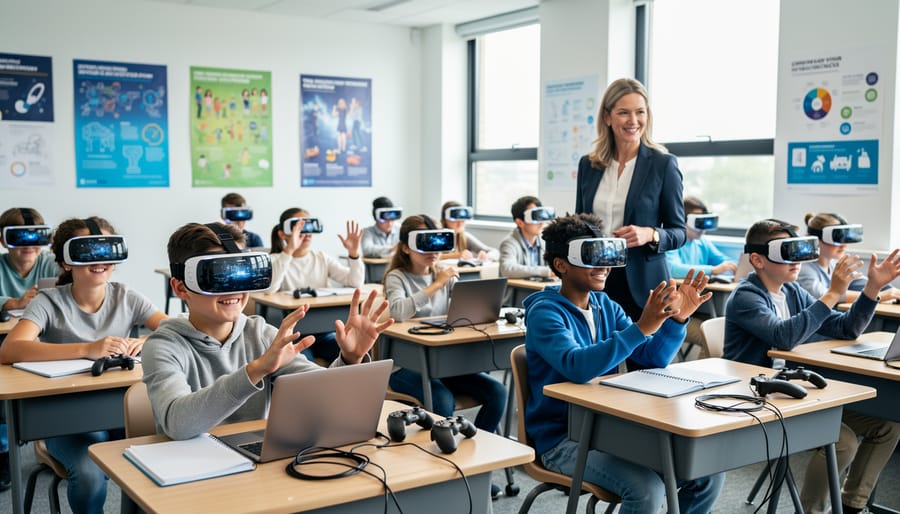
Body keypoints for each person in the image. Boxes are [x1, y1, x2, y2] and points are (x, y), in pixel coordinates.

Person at [523, 213, 723, 513]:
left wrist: (677, 318)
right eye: (592, 258)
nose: (604, 266)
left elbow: (650, 357)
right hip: (561, 439)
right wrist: (642, 327)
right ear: (560, 265)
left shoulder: (606, 305)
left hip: (609, 428)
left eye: (607, 256)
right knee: (646, 490)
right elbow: (577, 367)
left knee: (706, 472)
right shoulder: (545, 314)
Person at [141, 222, 393, 441]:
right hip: (188, 472)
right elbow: (178, 424)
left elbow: (324, 392)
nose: (234, 291)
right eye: (217, 277)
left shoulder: (260, 334)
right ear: (181, 288)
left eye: (242, 276)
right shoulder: (163, 345)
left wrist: (350, 359)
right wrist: (256, 369)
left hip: (256, 460)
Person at [723, 218, 900, 514]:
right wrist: (832, 294)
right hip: (758, 398)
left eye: (799, 252)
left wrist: (871, 288)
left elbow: (846, 329)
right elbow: (784, 337)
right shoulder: (745, 297)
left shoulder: (792, 292)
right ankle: (812, 511)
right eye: (786, 253)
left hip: (797, 391)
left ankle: (851, 504)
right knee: (842, 442)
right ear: (757, 259)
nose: (796, 262)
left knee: (887, 426)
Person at [0, 216, 166, 514]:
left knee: (155, 464)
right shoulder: (48, 301)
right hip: (64, 417)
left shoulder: (126, 296)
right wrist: (88, 349)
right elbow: (10, 349)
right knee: (90, 475)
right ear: (65, 262)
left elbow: (170, 330)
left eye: (106, 251)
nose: (99, 260)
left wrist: (149, 342)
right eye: (86, 252)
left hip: (121, 412)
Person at [383, 215, 508, 498]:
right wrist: (437, 284)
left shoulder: (445, 271)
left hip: (443, 360)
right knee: (442, 401)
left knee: (497, 391)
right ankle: (444, 471)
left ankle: (474, 462)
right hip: (405, 365)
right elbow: (399, 311)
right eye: (425, 245)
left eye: (438, 243)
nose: (434, 251)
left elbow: (460, 313)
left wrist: (464, 297)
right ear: (406, 248)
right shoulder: (397, 276)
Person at [574, 77, 686, 321]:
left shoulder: (663, 165)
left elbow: (679, 232)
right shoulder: (589, 165)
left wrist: (651, 234)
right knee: (598, 353)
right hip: (595, 277)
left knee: (642, 357)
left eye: (640, 112)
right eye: (624, 112)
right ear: (607, 117)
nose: (633, 121)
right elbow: (579, 225)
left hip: (643, 285)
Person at [0, 207, 61, 491]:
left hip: (43, 334)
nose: (28, 246)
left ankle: (51, 438)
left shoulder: (49, 262)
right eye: (19, 238)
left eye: (36, 238)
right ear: (3, 240)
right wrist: (12, 302)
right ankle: (4, 450)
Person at [268, 208, 363, 362]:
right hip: (293, 335)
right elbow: (271, 288)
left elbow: (354, 282)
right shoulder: (275, 260)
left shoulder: (320, 257)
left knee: (353, 353)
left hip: (323, 331)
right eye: (298, 227)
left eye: (308, 226)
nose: (305, 232)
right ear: (282, 234)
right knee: (306, 363)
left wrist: (354, 253)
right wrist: (290, 249)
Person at [664, 196, 736, 355]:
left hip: (701, 311)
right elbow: (673, 268)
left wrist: (733, 267)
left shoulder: (702, 242)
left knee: (726, 331)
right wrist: (713, 270)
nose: (702, 229)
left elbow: (724, 260)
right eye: (698, 224)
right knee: (716, 337)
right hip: (675, 314)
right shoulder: (672, 242)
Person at [799, 212, 900, 304]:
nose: (843, 245)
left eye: (845, 238)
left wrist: (888, 288)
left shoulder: (835, 264)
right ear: (816, 239)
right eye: (837, 239)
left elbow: (862, 283)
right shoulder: (803, 268)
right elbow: (824, 295)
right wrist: (880, 296)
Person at [498, 195, 553, 280]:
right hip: (520, 292)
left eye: (541, 217)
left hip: (540, 291)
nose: (541, 223)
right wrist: (546, 272)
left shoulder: (544, 242)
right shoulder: (509, 243)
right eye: (536, 217)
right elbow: (507, 269)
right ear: (519, 222)